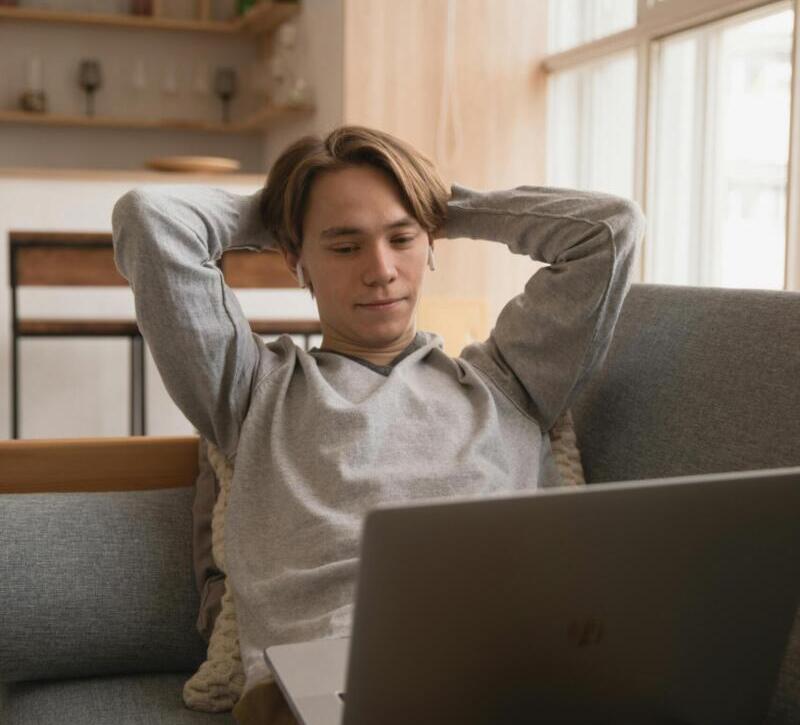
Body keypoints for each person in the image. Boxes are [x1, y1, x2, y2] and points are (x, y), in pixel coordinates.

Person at [111, 124, 645, 724]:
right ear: (295, 260)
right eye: (344, 247)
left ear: (432, 242)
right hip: (331, 684)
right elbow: (149, 219)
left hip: (505, 669)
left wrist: (443, 206)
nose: (382, 269)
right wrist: (286, 213)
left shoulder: (508, 384)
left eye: (402, 238)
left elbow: (609, 229)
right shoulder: (250, 390)